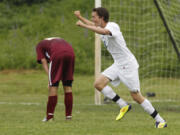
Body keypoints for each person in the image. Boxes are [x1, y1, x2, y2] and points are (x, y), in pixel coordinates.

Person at [74, 7, 167, 128]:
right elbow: (94, 26)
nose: (92, 19)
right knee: (98, 84)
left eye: (94, 17)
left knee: (136, 96)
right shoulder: (101, 27)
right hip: (118, 64)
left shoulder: (112, 26)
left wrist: (83, 26)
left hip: (128, 65)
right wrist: (80, 18)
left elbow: (104, 32)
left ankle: (160, 120)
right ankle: (123, 105)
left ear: (101, 18)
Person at [36, 37, 75, 121]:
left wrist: (49, 79)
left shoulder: (39, 45)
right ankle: (68, 117)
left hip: (57, 54)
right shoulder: (57, 40)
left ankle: (49, 117)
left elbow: (43, 61)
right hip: (71, 54)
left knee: (53, 86)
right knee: (67, 86)